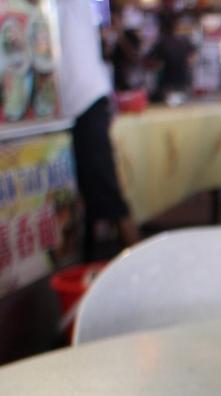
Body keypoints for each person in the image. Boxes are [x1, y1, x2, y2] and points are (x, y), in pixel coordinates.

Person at [56, 0, 137, 259]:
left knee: (107, 189)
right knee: (87, 193)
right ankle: (89, 259)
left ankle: (139, 261)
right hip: (72, 106)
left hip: (86, 101)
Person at [146, 12, 195, 102]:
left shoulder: (163, 42)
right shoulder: (183, 41)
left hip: (170, 84)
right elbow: (192, 57)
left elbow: (149, 61)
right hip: (179, 82)